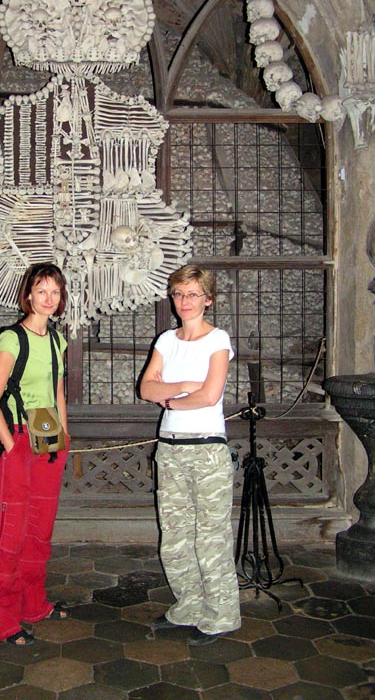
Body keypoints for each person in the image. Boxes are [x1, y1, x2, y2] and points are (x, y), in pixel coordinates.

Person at [139, 264, 240, 645]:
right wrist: (180, 388)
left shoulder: (218, 340)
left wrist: (172, 400)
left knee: (210, 535)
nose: (185, 301)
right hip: (170, 449)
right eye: (179, 294)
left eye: (193, 294)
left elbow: (210, 395)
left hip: (206, 447)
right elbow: (146, 388)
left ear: (208, 300)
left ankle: (221, 615)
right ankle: (189, 606)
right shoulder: (166, 340)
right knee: (176, 535)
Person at [0, 263, 70, 646]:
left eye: (55, 292)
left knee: (39, 530)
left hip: (48, 439)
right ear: (28, 295)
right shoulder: (11, 340)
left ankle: (34, 604)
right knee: (10, 533)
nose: (48, 299)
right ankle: (1, 622)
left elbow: (58, 393)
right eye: (41, 291)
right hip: (17, 440)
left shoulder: (57, 341)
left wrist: (65, 438)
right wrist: (11, 444)